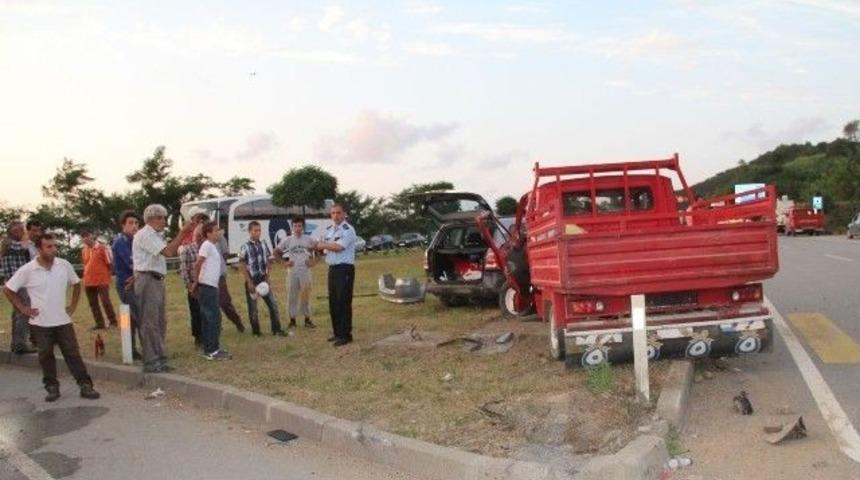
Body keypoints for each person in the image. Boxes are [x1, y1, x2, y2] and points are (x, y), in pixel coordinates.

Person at [3, 233, 100, 402]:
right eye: (49, 247)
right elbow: (8, 289)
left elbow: (77, 284)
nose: (54, 250)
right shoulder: (28, 269)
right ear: (39, 249)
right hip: (40, 323)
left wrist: (73, 306)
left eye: (55, 246)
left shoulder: (64, 265)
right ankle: (52, 387)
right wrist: (23, 308)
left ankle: (85, 385)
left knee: (72, 353)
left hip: (63, 321)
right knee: (45, 355)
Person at [133, 204, 196, 373]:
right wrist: (183, 232)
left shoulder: (155, 235)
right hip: (147, 279)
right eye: (161, 218)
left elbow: (170, 251)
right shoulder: (146, 235)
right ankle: (151, 361)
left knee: (160, 321)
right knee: (150, 322)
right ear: (151, 219)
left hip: (155, 279)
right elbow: (169, 252)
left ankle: (159, 358)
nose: (163, 222)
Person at [315, 204, 357, 347]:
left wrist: (323, 245)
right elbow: (323, 247)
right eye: (333, 213)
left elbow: (339, 247)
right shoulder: (329, 230)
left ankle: (346, 335)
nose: (335, 216)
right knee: (333, 301)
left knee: (343, 301)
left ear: (344, 214)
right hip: (332, 268)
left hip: (344, 268)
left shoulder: (348, 230)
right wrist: (323, 245)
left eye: (338, 213)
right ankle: (337, 332)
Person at [192, 221, 231, 361]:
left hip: (211, 286)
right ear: (208, 233)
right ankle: (212, 350)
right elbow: (197, 264)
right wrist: (196, 282)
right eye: (215, 230)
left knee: (209, 318)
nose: (218, 232)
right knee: (213, 318)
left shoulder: (212, 246)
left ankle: (211, 347)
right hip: (207, 286)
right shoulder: (207, 245)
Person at [239, 220, 285, 336]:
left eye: (259, 230)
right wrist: (249, 282)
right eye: (255, 231)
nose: (258, 233)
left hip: (263, 279)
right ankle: (256, 332)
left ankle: (276, 329)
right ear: (249, 231)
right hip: (252, 279)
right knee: (253, 308)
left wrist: (268, 276)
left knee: (273, 305)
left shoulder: (264, 244)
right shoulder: (244, 247)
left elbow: (269, 260)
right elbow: (242, 265)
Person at [275, 217, 318, 330]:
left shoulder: (308, 239)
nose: (297, 228)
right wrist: (284, 263)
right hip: (292, 272)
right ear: (292, 227)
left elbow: (319, 250)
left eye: (299, 226)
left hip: (305, 271)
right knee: (292, 296)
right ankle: (292, 320)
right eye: (295, 226)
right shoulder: (288, 240)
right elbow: (276, 252)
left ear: (303, 227)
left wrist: (313, 262)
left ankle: (307, 319)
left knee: (305, 296)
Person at [1, 221, 37, 354]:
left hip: (12, 283)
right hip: (18, 283)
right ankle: (20, 344)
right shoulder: (11, 244)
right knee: (24, 311)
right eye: (20, 230)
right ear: (14, 231)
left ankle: (16, 343)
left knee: (17, 313)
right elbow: (25, 247)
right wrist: (26, 236)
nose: (23, 233)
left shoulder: (6, 243)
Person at [112, 210, 142, 360]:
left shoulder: (136, 240)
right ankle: (143, 349)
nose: (134, 226)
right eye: (130, 223)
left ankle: (131, 350)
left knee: (131, 318)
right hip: (126, 284)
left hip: (136, 281)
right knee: (136, 316)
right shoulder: (120, 242)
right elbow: (132, 262)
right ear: (123, 225)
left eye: (136, 223)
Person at [178, 211, 208, 348]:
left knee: (207, 312)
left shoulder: (208, 249)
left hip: (207, 285)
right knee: (196, 313)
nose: (201, 237)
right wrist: (190, 287)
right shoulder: (187, 250)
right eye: (199, 235)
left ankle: (208, 335)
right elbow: (184, 272)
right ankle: (198, 338)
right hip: (194, 287)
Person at [80, 230, 117, 330]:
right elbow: (85, 264)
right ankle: (99, 323)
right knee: (93, 303)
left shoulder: (102, 248)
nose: (85, 239)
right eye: (83, 237)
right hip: (88, 280)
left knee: (105, 301)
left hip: (102, 279)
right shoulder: (84, 250)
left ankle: (113, 321)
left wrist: (110, 275)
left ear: (92, 236)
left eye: (87, 236)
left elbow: (110, 263)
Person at [216, 232, 245, 333]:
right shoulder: (200, 235)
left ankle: (237, 321)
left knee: (224, 302)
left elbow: (225, 253)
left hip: (219, 275)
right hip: (206, 277)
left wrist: (220, 266)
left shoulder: (219, 236)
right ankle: (216, 326)